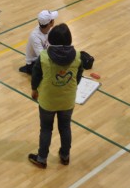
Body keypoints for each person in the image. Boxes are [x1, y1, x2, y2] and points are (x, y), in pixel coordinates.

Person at [28, 23, 83, 168]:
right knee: (65, 127)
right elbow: (78, 76)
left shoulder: (44, 56)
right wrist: (70, 88)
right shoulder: (77, 56)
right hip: (67, 100)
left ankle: (42, 158)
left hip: (48, 101)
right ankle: (65, 156)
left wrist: (34, 90)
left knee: (46, 129)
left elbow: (36, 75)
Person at [19, 10, 57, 74]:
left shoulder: (48, 29)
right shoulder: (35, 37)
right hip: (33, 63)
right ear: (49, 23)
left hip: (44, 56)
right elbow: (42, 57)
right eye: (53, 19)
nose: (54, 20)